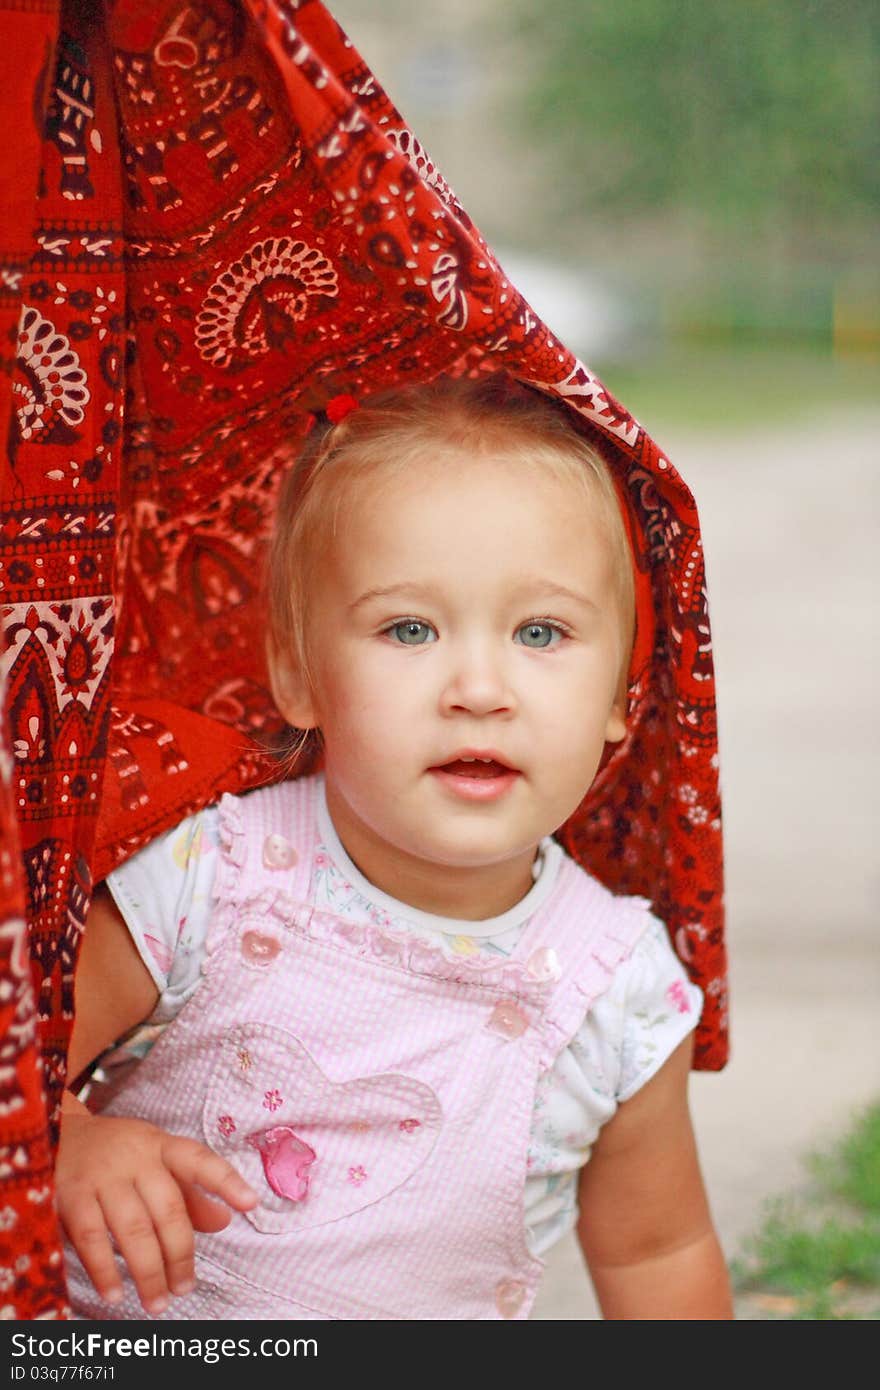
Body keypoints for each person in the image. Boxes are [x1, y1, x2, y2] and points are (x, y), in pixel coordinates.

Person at [58, 373, 733, 1321]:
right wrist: (66, 1137)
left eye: (541, 632)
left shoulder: (618, 990)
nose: (478, 687)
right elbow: (23, 1078)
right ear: (300, 675)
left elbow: (659, 1254)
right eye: (408, 628)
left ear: (622, 695)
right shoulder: (201, 879)